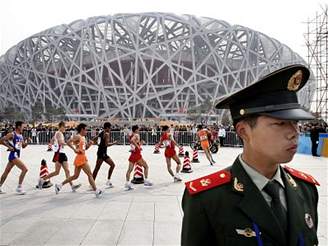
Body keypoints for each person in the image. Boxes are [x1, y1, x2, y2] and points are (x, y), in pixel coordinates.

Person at [181, 64, 319, 245]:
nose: (294, 132)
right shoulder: (207, 199)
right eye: (280, 124)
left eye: (295, 122)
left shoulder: (305, 189)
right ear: (244, 131)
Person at [54, 123, 103, 198]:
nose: (86, 131)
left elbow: (85, 148)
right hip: (81, 158)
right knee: (90, 174)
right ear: (82, 129)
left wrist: (90, 144)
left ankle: (59, 185)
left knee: (75, 176)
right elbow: (68, 142)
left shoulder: (83, 137)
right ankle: (96, 191)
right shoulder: (78, 136)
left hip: (81, 157)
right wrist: (74, 149)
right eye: (86, 129)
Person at [38, 121, 81, 191]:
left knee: (66, 171)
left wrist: (53, 145)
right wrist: (68, 143)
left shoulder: (57, 133)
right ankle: (43, 179)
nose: (65, 128)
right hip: (60, 154)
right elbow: (60, 142)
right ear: (61, 127)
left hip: (59, 153)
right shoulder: (59, 133)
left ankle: (72, 185)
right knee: (57, 172)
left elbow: (52, 141)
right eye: (64, 127)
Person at [0, 121, 30, 194]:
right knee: (25, 169)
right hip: (13, 155)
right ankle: (19, 188)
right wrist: (9, 146)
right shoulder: (12, 134)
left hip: (16, 155)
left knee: (6, 172)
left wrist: (27, 141)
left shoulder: (20, 135)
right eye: (23, 126)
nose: (24, 128)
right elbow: (1, 140)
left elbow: (23, 146)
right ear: (19, 127)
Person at [125, 125, 153, 191]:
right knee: (146, 166)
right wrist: (138, 146)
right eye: (138, 129)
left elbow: (132, 143)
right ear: (136, 130)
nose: (139, 130)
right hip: (137, 155)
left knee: (129, 170)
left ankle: (127, 183)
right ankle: (146, 181)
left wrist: (140, 144)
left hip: (132, 154)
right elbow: (133, 141)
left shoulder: (131, 134)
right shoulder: (137, 135)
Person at [91, 122, 117, 188]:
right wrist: (113, 143)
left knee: (112, 165)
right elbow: (106, 145)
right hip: (102, 153)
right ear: (107, 128)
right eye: (110, 128)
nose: (110, 129)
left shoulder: (101, 132)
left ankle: (108, 181)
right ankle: (92, 183)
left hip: (101, 152)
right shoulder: (107, 134)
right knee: (97, 168)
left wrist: (97, 144)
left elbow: (94, 139)